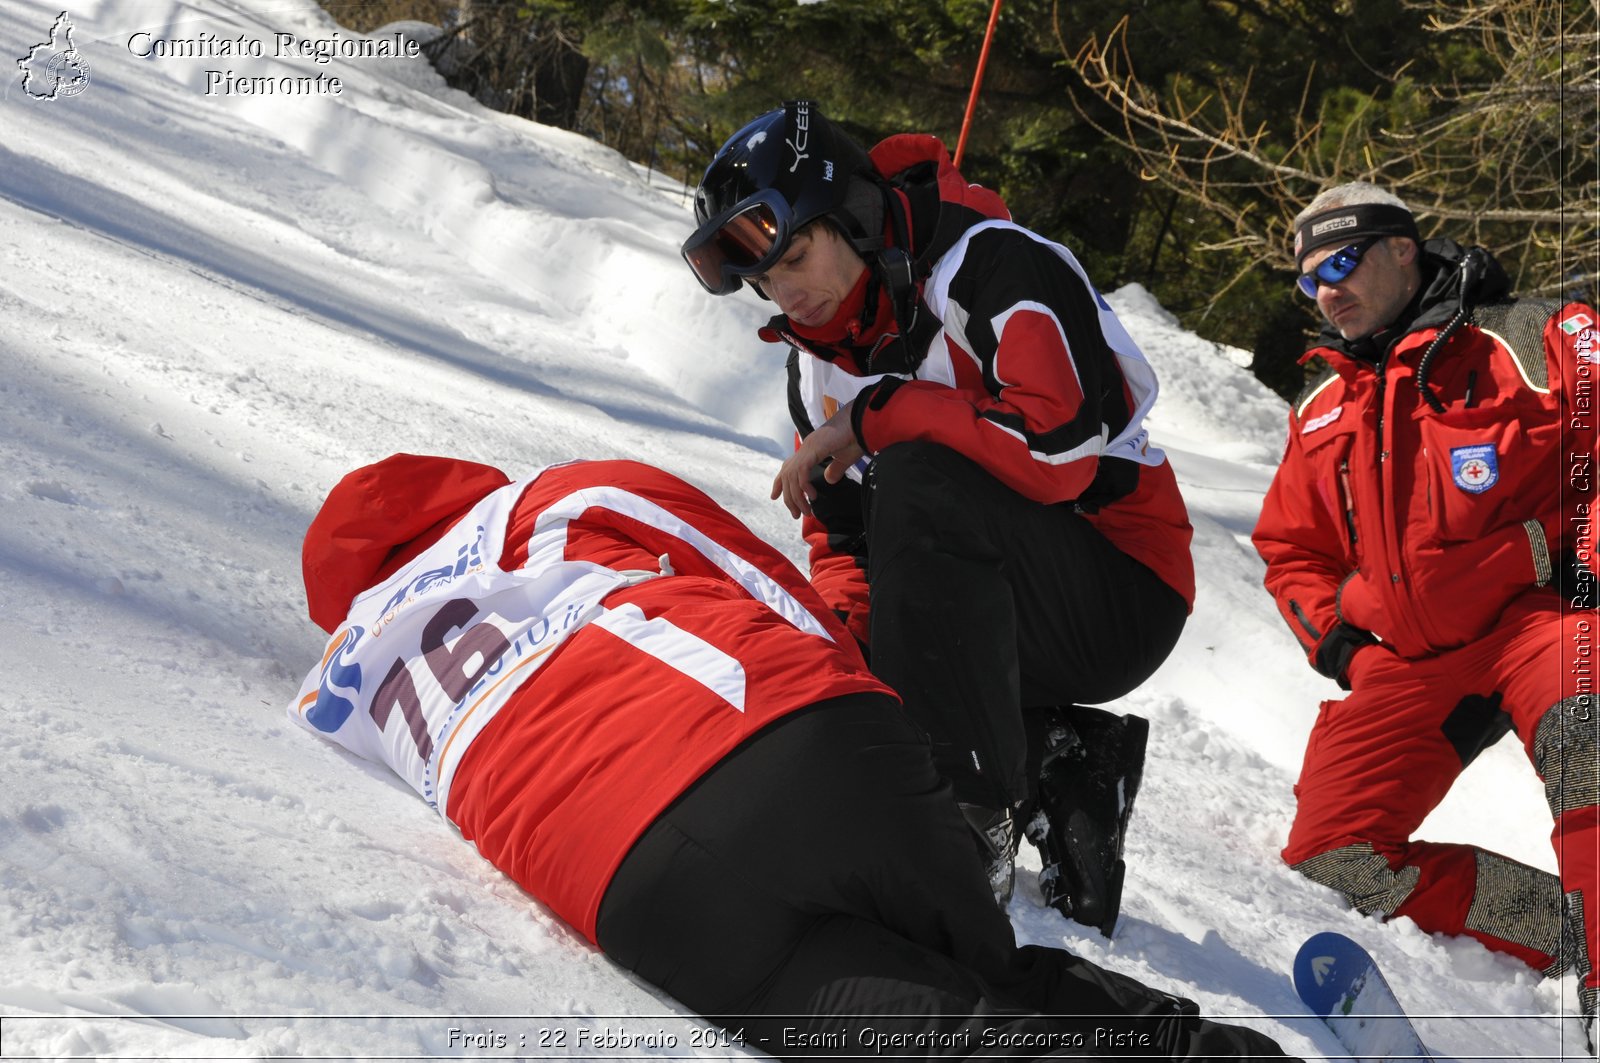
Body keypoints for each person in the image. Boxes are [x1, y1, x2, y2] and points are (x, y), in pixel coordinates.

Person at [287, 452, 1292, 1060]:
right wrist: (864, 702)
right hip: (795, 743)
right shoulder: (548, 500)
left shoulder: (340, 676)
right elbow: (754, 576)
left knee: (955, 1037)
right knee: (980, 960)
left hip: (640, 890)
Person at [679, 100, 1195, 934]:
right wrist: (849, 656)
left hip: (1119, 582)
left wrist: (885, 409)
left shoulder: (995, 266)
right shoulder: (820, 368)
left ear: (848, 214)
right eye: (766, 281)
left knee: (921, 474)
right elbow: (844, 541)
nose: (787, 293)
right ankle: (1064, 767)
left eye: (798, 256)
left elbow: (1059, 453)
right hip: (1012, 608)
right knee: (836, 648)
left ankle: (968, 820)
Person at [1252, 180, 1599, 1044]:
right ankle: (1566, 932)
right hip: (1411, 660)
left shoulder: (1530, 337)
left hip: (1538, 614)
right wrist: (1349, 652)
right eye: (1309, 280)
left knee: (1588, 745)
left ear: (1403, 249)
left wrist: (1583, 568)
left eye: (1341, 262)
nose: (1327, 290)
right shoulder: (1323, 404)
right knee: (1333, 858)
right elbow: (1291, 552)